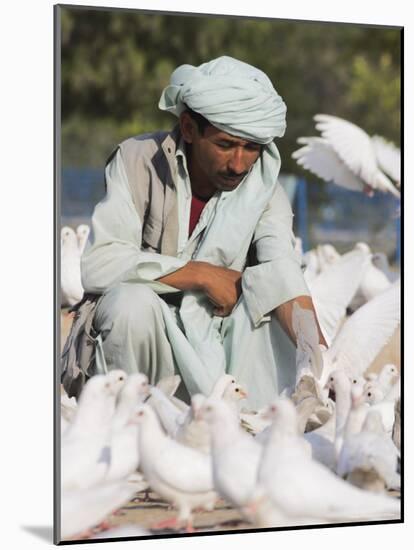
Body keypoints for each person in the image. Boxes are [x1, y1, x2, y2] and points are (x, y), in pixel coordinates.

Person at [62, 56, 326, 409]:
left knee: (269, 306)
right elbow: (99, 265)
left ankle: (245, 423)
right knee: (131, 304)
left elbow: (283, 275)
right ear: (188, 129)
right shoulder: (138, 161)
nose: (239, 163)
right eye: (225, 144)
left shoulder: (263, 188)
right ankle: (125, 425)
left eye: (252, 148)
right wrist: (201, 275)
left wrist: (320, 362)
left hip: (217, 349)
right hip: (142, 347)